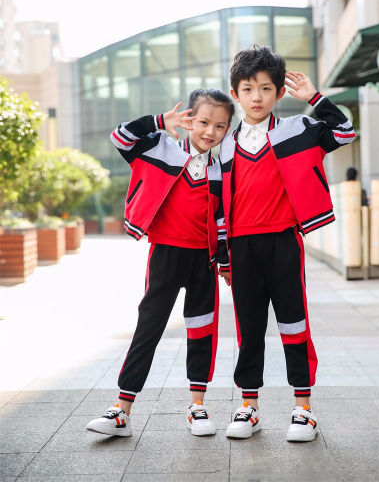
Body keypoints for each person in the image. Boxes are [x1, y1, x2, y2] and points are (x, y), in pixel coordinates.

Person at [219, 46, 355, 442]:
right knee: (249, 329)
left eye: (266, 88)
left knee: (294, 324)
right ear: (235, 93)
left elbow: (344, 132)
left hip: (283, 241)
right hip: (242, 248)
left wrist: (315, 98)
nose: (257, 97)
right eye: (248, 89)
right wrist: (223, 257)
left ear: (280, 92)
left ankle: (303, 409)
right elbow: (217, 204)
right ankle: (249, 407)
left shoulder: (298, 129)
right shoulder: (224, 143)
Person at [87, 89, 233, 438]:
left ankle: (197, 407)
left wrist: (225, 262)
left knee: (202, 329)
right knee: (148, 328)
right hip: (165, 253)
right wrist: (157, 122)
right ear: (189, 120)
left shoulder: (221, 170)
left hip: (203, 261)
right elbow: (120, 138)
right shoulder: (159, 148)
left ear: (227, 130)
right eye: (203, 122)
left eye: (219, 126)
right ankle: (122, 410)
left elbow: (221, 219)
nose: (210, 131)